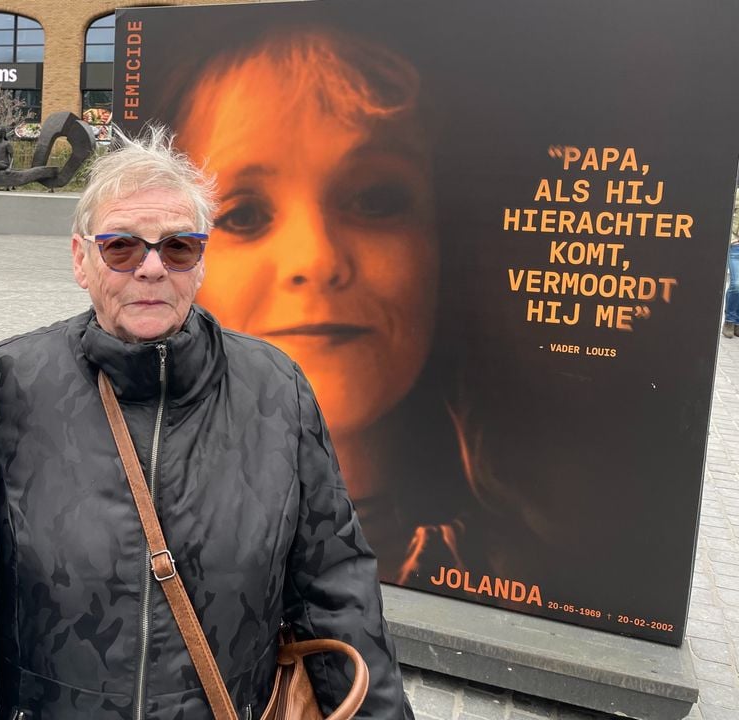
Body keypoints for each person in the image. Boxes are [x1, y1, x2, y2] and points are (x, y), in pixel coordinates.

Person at [0, 129, 413, 718]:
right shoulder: (11, 381)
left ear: (201, 262)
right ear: (80, 260)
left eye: (178, 248)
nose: (152, 269)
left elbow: (335, 585)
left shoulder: (274, 388)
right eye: (122, 248)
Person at [170, 29, 538, 586]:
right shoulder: (135, 511)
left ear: (445, 244)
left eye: (375, 199)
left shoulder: (522, 562)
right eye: (243, 214)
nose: (316, 258)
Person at [724, 186, 739, 338]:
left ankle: (737, 321)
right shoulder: (736, 193)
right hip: (736, 245)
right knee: (736, 284)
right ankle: (729, 319)